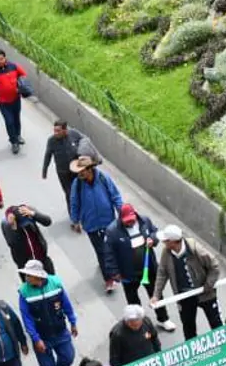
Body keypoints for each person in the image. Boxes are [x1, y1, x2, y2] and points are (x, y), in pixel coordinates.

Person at [102, 204, 176, 332]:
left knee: (156, 294)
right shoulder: (112, 231)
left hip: (148, 269)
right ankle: (139, 325)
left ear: (135, 215)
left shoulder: (145, 221)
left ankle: (163, 319)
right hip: (128, 273)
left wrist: (152, 239)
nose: (130, 223)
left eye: (131, 220)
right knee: (133, 300)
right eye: (126, 221)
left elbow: (155, 232)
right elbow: (109, 254)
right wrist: (114, 272)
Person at [152, 225, 223, 341]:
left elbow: (214, 266)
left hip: (205, 293)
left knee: (216, 324)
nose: (163, 243)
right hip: (184, 296)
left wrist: (208, 285)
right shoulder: (167, 252)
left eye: (165, 241)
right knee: (188, 329)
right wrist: (156, 295)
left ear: (173, 242)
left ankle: (224, 351)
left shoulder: (196, 250)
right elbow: (162, 273)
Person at [68, 156, 122, 293]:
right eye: (78, 171)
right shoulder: (77, 184)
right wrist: (75, 221)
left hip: (109, 222)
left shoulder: (103, 178)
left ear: (90, 169)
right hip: (91, 224)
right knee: (101, 251)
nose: (79, 173)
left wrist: (121, 213)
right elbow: (74, 202)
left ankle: (115, 268)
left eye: (82, 171)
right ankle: (109, 279)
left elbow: (115, 196)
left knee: (112, 248)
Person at [16, 259, 78, 366]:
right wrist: (36, 339)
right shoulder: (24, 292)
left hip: (60, 332)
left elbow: (66, 304)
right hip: (42, 338)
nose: (26, 277)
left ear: (37, 276)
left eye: (29, 275)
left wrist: (73, 322)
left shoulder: (55, 283)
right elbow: (27, 318)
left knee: (68, 358)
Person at [0, 50, 29, 154]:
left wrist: (21, 87)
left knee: (16, 119)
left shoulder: (13, 66)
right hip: (3, 103)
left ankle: (18, 136)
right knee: (9, 122)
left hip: (16, 99)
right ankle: (14, 142)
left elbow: (23, 75)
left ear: (5, 58)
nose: (0, 61)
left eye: (1, 59)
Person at [41, 121, 92, 207]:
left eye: (58, 131)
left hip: (77, 170)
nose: (55, 133)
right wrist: (44, 171)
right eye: (54, 131)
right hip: (63, 172)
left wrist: (84, 154)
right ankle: (73, 213)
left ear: (65, 130)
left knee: (81, 189)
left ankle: (84, 208)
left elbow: (84, 140)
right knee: (69, 193)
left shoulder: (73, 133)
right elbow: (47, 155)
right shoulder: (51, 141)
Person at [1, 205, 55, 277]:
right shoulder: (7, 224)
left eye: (28, 224)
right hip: (26, 267)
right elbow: (12, 243)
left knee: (52, 281)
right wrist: (14, 228)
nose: (27, 227)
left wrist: (33, 214)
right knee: (32, 286)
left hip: (42, 259)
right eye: (24, 225)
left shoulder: (29, 211)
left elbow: (48, 221)